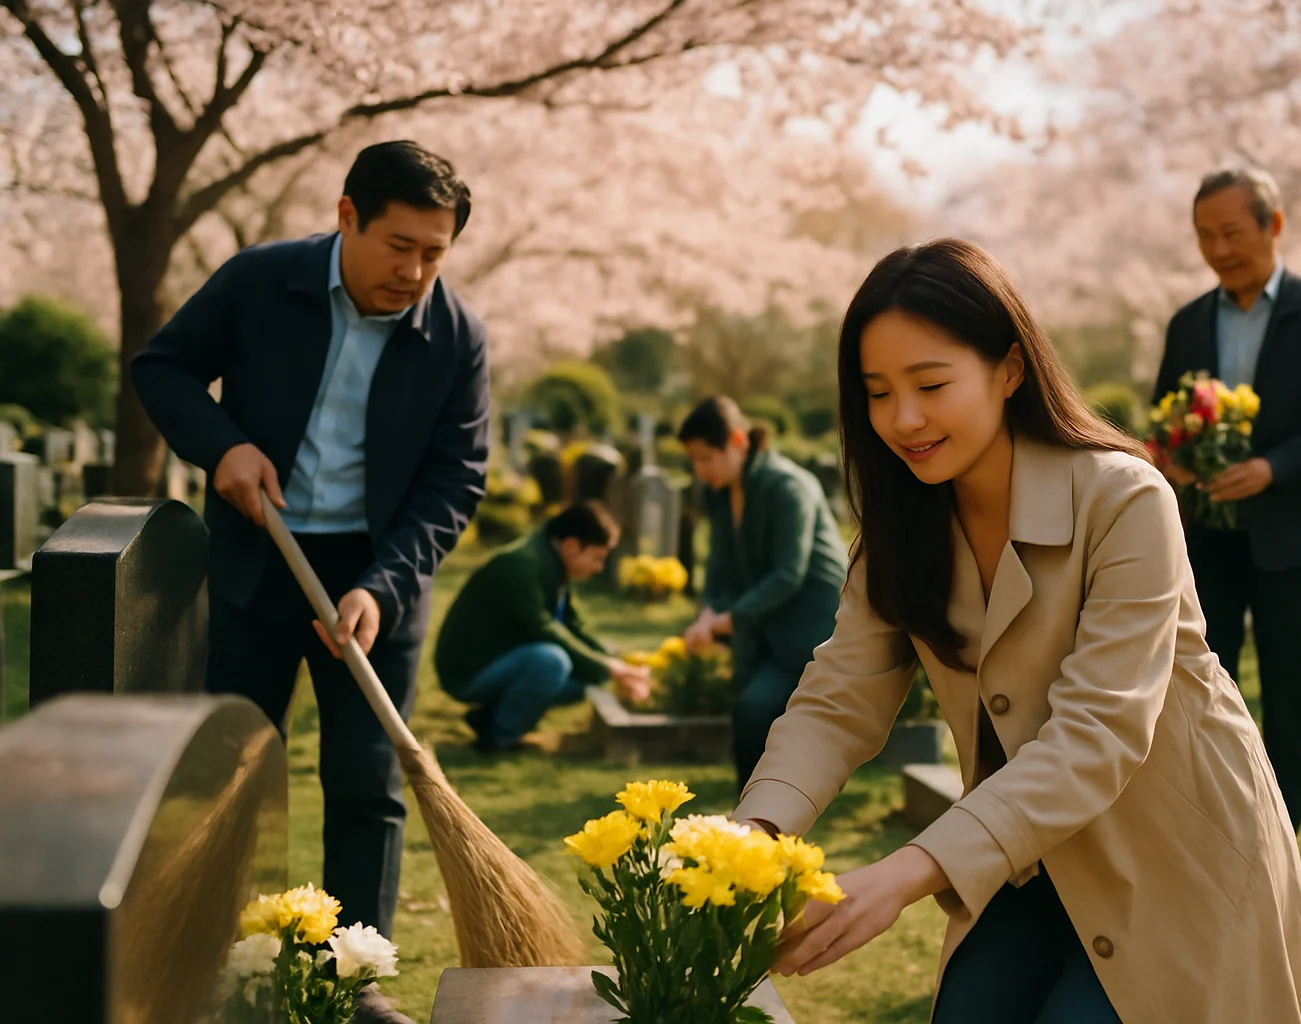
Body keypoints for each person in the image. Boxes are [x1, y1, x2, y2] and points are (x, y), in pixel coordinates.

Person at [733, 239, 1301, 1023]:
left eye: (931, 383)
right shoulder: (902, 533)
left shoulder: (1123, 501)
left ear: (1010, 369)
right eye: (876, 393)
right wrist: (747, 842)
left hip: (1176, 862)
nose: (902, 419)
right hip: (1027, 859)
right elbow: (838, 700)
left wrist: (910, 871)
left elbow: (1098, 734)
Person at [133, 141, 489, 1024]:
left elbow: (457, 477)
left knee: (367, 786)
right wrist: (224, 448)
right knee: (228, 782)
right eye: (399, 245)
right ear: (346, 216)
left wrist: (386, 584)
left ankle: (352, 985)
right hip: (259, 562)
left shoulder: (457, 335)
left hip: (374, 584)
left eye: (434, 253)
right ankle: (211, 963)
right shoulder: (260, 281)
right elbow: (163, 367)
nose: (414, 271)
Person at [1152, 167, 1301, 829]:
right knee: (1198, 690)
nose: (1219, 250)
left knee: (1287, 697)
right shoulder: (1187, 322)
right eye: (1204, 237)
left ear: (1273, 226)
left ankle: (1279, 838)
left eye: (1231, 232)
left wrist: (1273, 468)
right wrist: (1175, 461)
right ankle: (1208, 827)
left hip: (1296, 541)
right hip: (1207, 543)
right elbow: (1163, 424)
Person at [677, 397, 848, 791]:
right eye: (693, 461)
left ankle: (758, 817)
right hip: (763, 617)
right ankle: (752, 814)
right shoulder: (719, 493)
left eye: (706, 458)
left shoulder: (789, 487)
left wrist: (729, 619)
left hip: (812, 623)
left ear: (738, 440)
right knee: (750, 711)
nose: (700, 472)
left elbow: (791, 571)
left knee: (758, 709)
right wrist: (708, 612)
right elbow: (719, 564)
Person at [434, 502, 651, 751]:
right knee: (552, 662)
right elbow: (543, 628)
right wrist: (607, 667)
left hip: (502, 658)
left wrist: (612, 663)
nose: (599, 568)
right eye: (597, 558)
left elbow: (573, 627)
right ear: (571, 546)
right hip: (469, 671)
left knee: (583, 679)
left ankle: (489, 719)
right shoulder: (521, 566)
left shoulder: (549, 561)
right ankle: (499, 738)